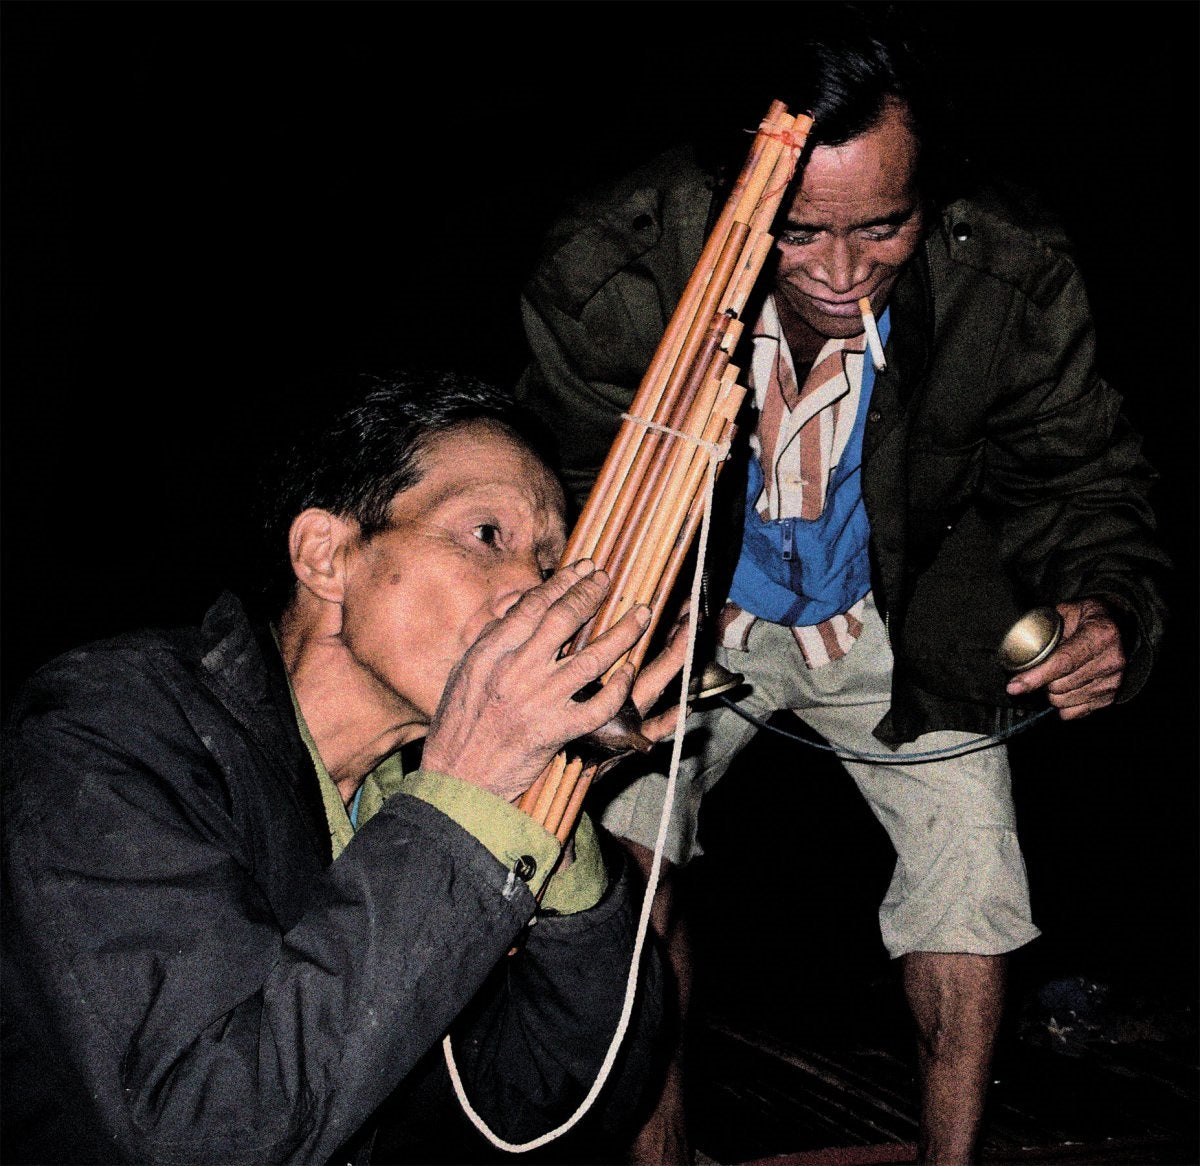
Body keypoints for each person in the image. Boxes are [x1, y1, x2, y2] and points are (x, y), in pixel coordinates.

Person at [513, 5, 1171, 1163]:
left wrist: (1111, 604)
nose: (840, 272)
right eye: (799, 232)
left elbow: (1084, 474)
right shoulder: (608, 268)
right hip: (682, 603)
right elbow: (557, 498)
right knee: (618, 868)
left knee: (972, 881)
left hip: (894, 603)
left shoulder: (1005, 271)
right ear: (738, 183)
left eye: (883, 227)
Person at [0, 369, 693, 1165]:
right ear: (326, 556)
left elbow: (548, 1112)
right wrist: (467, 800)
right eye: (487, 536)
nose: (533, 596)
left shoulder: (410, 800)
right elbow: (203, 1133)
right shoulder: (108, 725)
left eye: (549, 563)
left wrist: (550, 815)